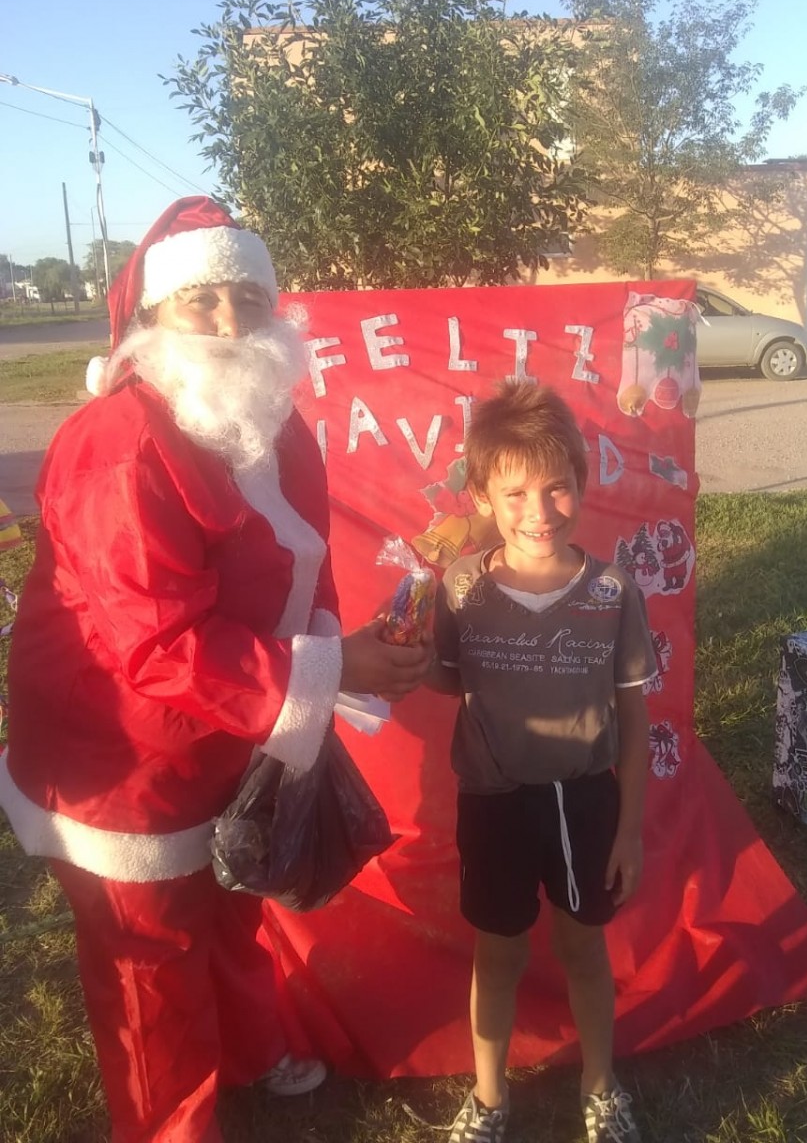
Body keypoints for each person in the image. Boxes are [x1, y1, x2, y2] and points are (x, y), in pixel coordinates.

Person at [0, 196, 432, 1143]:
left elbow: (309, 559)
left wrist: (343, 651)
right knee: (149, 953)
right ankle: (170, 1126)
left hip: (228, 725)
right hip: (120, 755)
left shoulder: (275, 423)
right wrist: (330, 669)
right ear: (155, 315)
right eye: (202, 299)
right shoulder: (118, 444)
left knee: (230, 901)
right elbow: (153, 640)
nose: (232, 323)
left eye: (250, 297)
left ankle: (245, 1048)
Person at [429, 380, 657, 1143]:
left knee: (583, 949)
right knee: (497, 956)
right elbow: (447, 679)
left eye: (557, 487)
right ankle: (489, 1097)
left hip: (583, 801)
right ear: (482, 497)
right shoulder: (460, 586)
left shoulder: (613, 592)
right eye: (516, 492)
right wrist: (392, 654)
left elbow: (633, 718)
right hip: (492, 803)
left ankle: (601, 1084)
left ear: (582, 485)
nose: (540, 510)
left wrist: (629, 832)